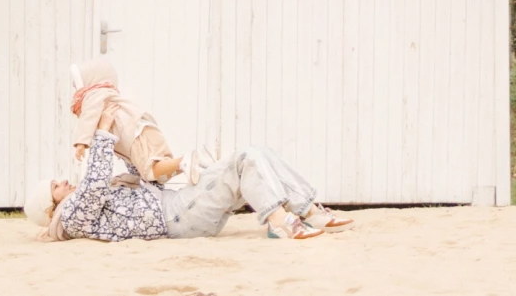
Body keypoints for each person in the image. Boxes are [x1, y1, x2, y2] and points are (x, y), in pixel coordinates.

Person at [25, 127, 353, 242]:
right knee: (244, 159)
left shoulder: (82, 208)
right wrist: (102, 129)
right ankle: (281, 222)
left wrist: (124, 143)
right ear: (50, 207)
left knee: (256, 153)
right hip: (177, 218)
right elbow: (94, 184)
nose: (64, 181)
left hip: (179, 207)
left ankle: (308, 209)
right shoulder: (70, 217)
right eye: (55, 186)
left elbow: (140, 176)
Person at [69, 55, 181, 183]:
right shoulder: (110, 95)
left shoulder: (95, 95)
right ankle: (186, 163)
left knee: (150, 170)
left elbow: (88, 116)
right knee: (161, 170)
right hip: (144, 127)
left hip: (134, 135)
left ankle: (183, 162)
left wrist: (81, 143)